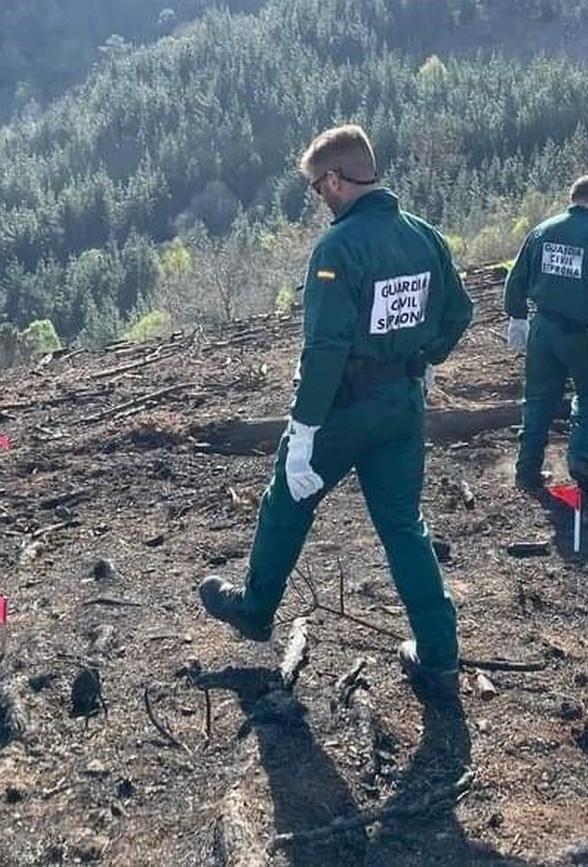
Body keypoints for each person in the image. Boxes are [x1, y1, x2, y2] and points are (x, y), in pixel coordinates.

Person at [199, 124, 474, 699]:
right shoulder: (423, 236)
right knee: (403, 526)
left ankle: (255, 607)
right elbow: (459, 312)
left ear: (335, 179)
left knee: (287, 500)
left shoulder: (337, 249)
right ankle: (441, 655)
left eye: (316, 186)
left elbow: (324, 350)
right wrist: (425, 360)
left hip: (344, 412)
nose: (318, 197)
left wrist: (302, 431)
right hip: (403, 408)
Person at [503, 175, 588, 493]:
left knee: (537, 399)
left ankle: (526, 470)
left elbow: (516, 277)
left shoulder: (542, 231)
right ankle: (580, 456)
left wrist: (518, 318)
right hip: (583, 336)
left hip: (543, 330)